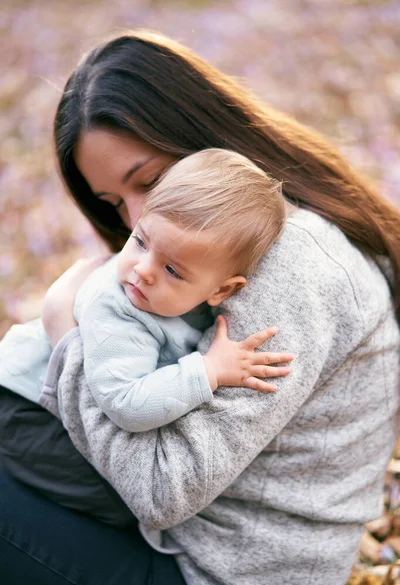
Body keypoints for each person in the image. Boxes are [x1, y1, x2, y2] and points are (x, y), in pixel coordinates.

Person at [0, 29, 399, 585]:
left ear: (206, 136)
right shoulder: (254, 242)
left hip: (216, 582)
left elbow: (162, 491)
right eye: (114, 204)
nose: (138, 216)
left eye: (151, 180)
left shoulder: (292, 265)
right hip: (189, 546)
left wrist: (69, 335)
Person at [0, 149, 292, 431]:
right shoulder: (116, 305)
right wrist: (210, 370)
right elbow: (126, 405)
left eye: (172, 270)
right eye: (140, 241)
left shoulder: (179, 295)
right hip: (25, 407)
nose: (142, 270)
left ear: (222, 290)